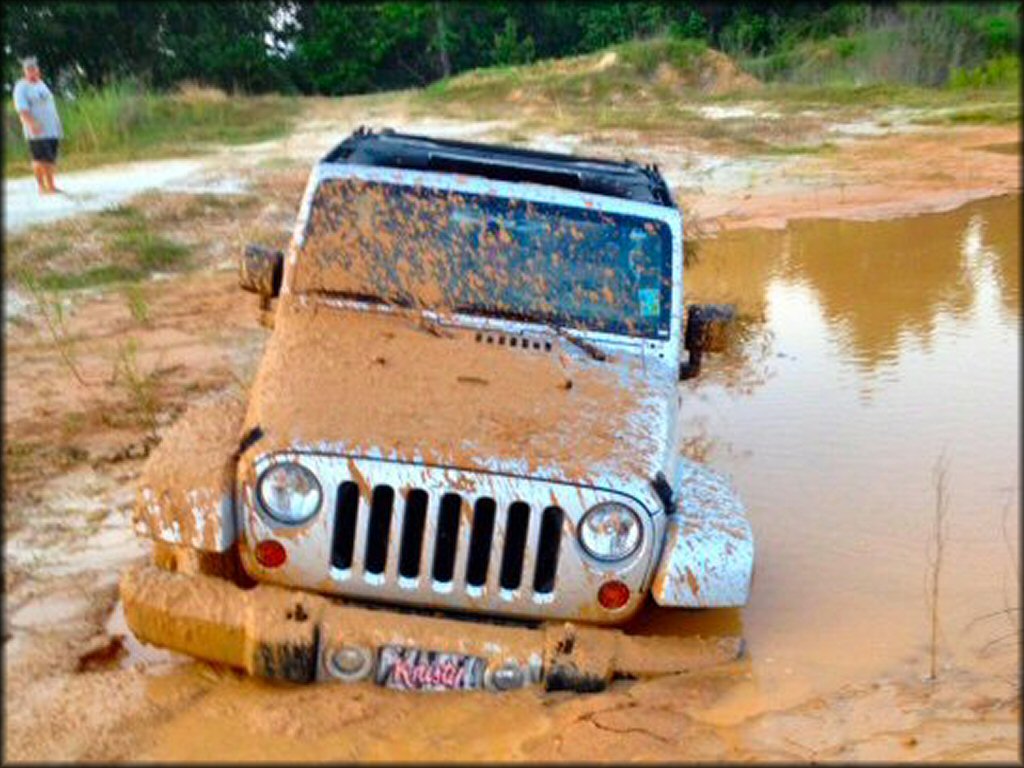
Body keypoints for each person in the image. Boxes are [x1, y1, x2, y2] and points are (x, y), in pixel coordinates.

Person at [12, 56, 64, 195]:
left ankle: (51, 185)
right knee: (40, 159)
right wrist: (31, 123)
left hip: (51, 128)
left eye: (34, 68)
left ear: (38, 70)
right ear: (25, 71)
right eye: (29, 69)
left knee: (51, 158)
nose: (33, 71)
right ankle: (42, 187)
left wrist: (57, 124)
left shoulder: (41, 84)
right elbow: (21, 109)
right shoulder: (21, 87)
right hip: (36, 130)